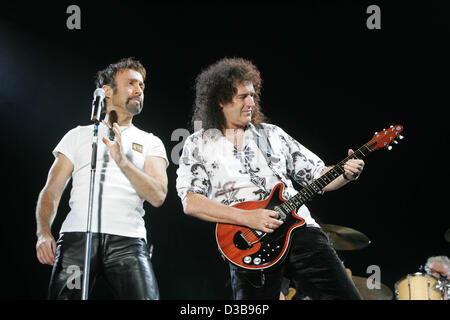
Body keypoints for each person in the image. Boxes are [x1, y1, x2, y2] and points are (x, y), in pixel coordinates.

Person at [176, 57, 364, 300]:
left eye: (253, 95)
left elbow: (319, 176)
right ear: (221, 100)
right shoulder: (198, 143)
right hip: (248, 241)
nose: (251, 102)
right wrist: (247, 217)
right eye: (243, 96)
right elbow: (191, 202)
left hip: (300, 231)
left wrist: (346, 173)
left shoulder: (273, 134)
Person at [35, 57, 169, 300]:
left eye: (142, 86)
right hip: (78, 239)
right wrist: (43, 232)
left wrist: (122, 161)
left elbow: (158, 195)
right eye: (131, 83)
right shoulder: (78, 135)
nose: (139, 90)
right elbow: (52, 190)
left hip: (128, 242)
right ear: (107, 91)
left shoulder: (151, 142)